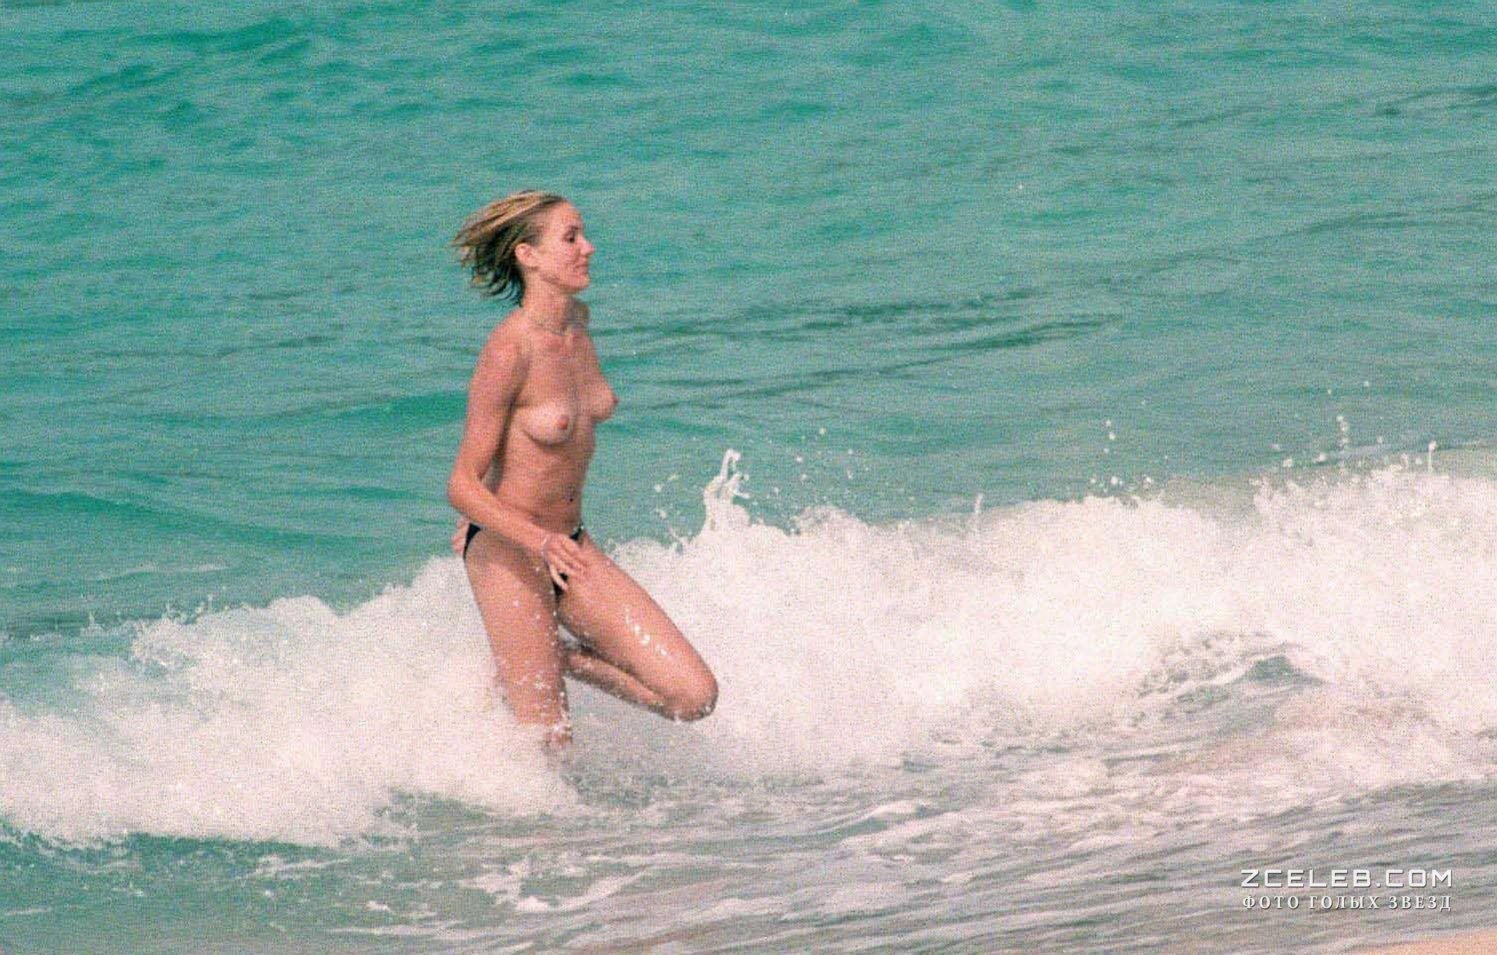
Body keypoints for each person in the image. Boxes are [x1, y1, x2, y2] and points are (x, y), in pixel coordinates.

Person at [447, 190, 717, 750]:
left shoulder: (579, 325)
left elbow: (529, 447)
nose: (588, 248)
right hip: (510, 553)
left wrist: (553, 541)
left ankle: (557, 658)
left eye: (584, 234)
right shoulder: (509, 350)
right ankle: (530, 662)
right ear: (528, 256)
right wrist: (529, 537)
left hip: (570, 545)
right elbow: (461, 484)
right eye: (570, 238)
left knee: (693, 696)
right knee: (549, 750)